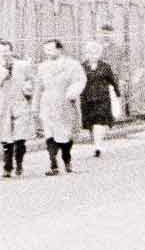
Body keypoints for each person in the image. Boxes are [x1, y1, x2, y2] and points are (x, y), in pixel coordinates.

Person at [35, 39, 86, 175]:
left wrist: (73, 91)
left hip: (65, 102)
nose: (48, 53)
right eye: (46, 50)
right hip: (48, 103)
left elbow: (80, 80)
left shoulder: (72, 65)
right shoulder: (42, 67)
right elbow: (38, 87)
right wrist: (35, 106)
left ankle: (66, 159)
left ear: (59, 49)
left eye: (50, 50)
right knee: (49, 133)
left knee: (65, 135)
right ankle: (53, 164)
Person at [0, 40, 36, 178]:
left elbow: (32, 80)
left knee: (20, 138)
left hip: (20, 103)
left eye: (6, 51)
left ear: (11, 51)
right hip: (3, 105)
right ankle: (7, 166)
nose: (4, 54)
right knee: (5, 137)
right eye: (1, 51)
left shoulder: (22, 65)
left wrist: (28, 89)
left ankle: (19, 163)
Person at [78, 38, 117, 157]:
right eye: (89, 52)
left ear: (99, 53)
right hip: (87, 98)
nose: (92, 55)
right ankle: (96, 143)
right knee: (91, 123)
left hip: (102, 98)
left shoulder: (105, 66)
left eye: (95, 52)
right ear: (86, 53)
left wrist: (118, 95)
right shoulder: (82, 66)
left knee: (100, 121)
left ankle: (98, 146)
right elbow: (77, 81)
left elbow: (113, 81)